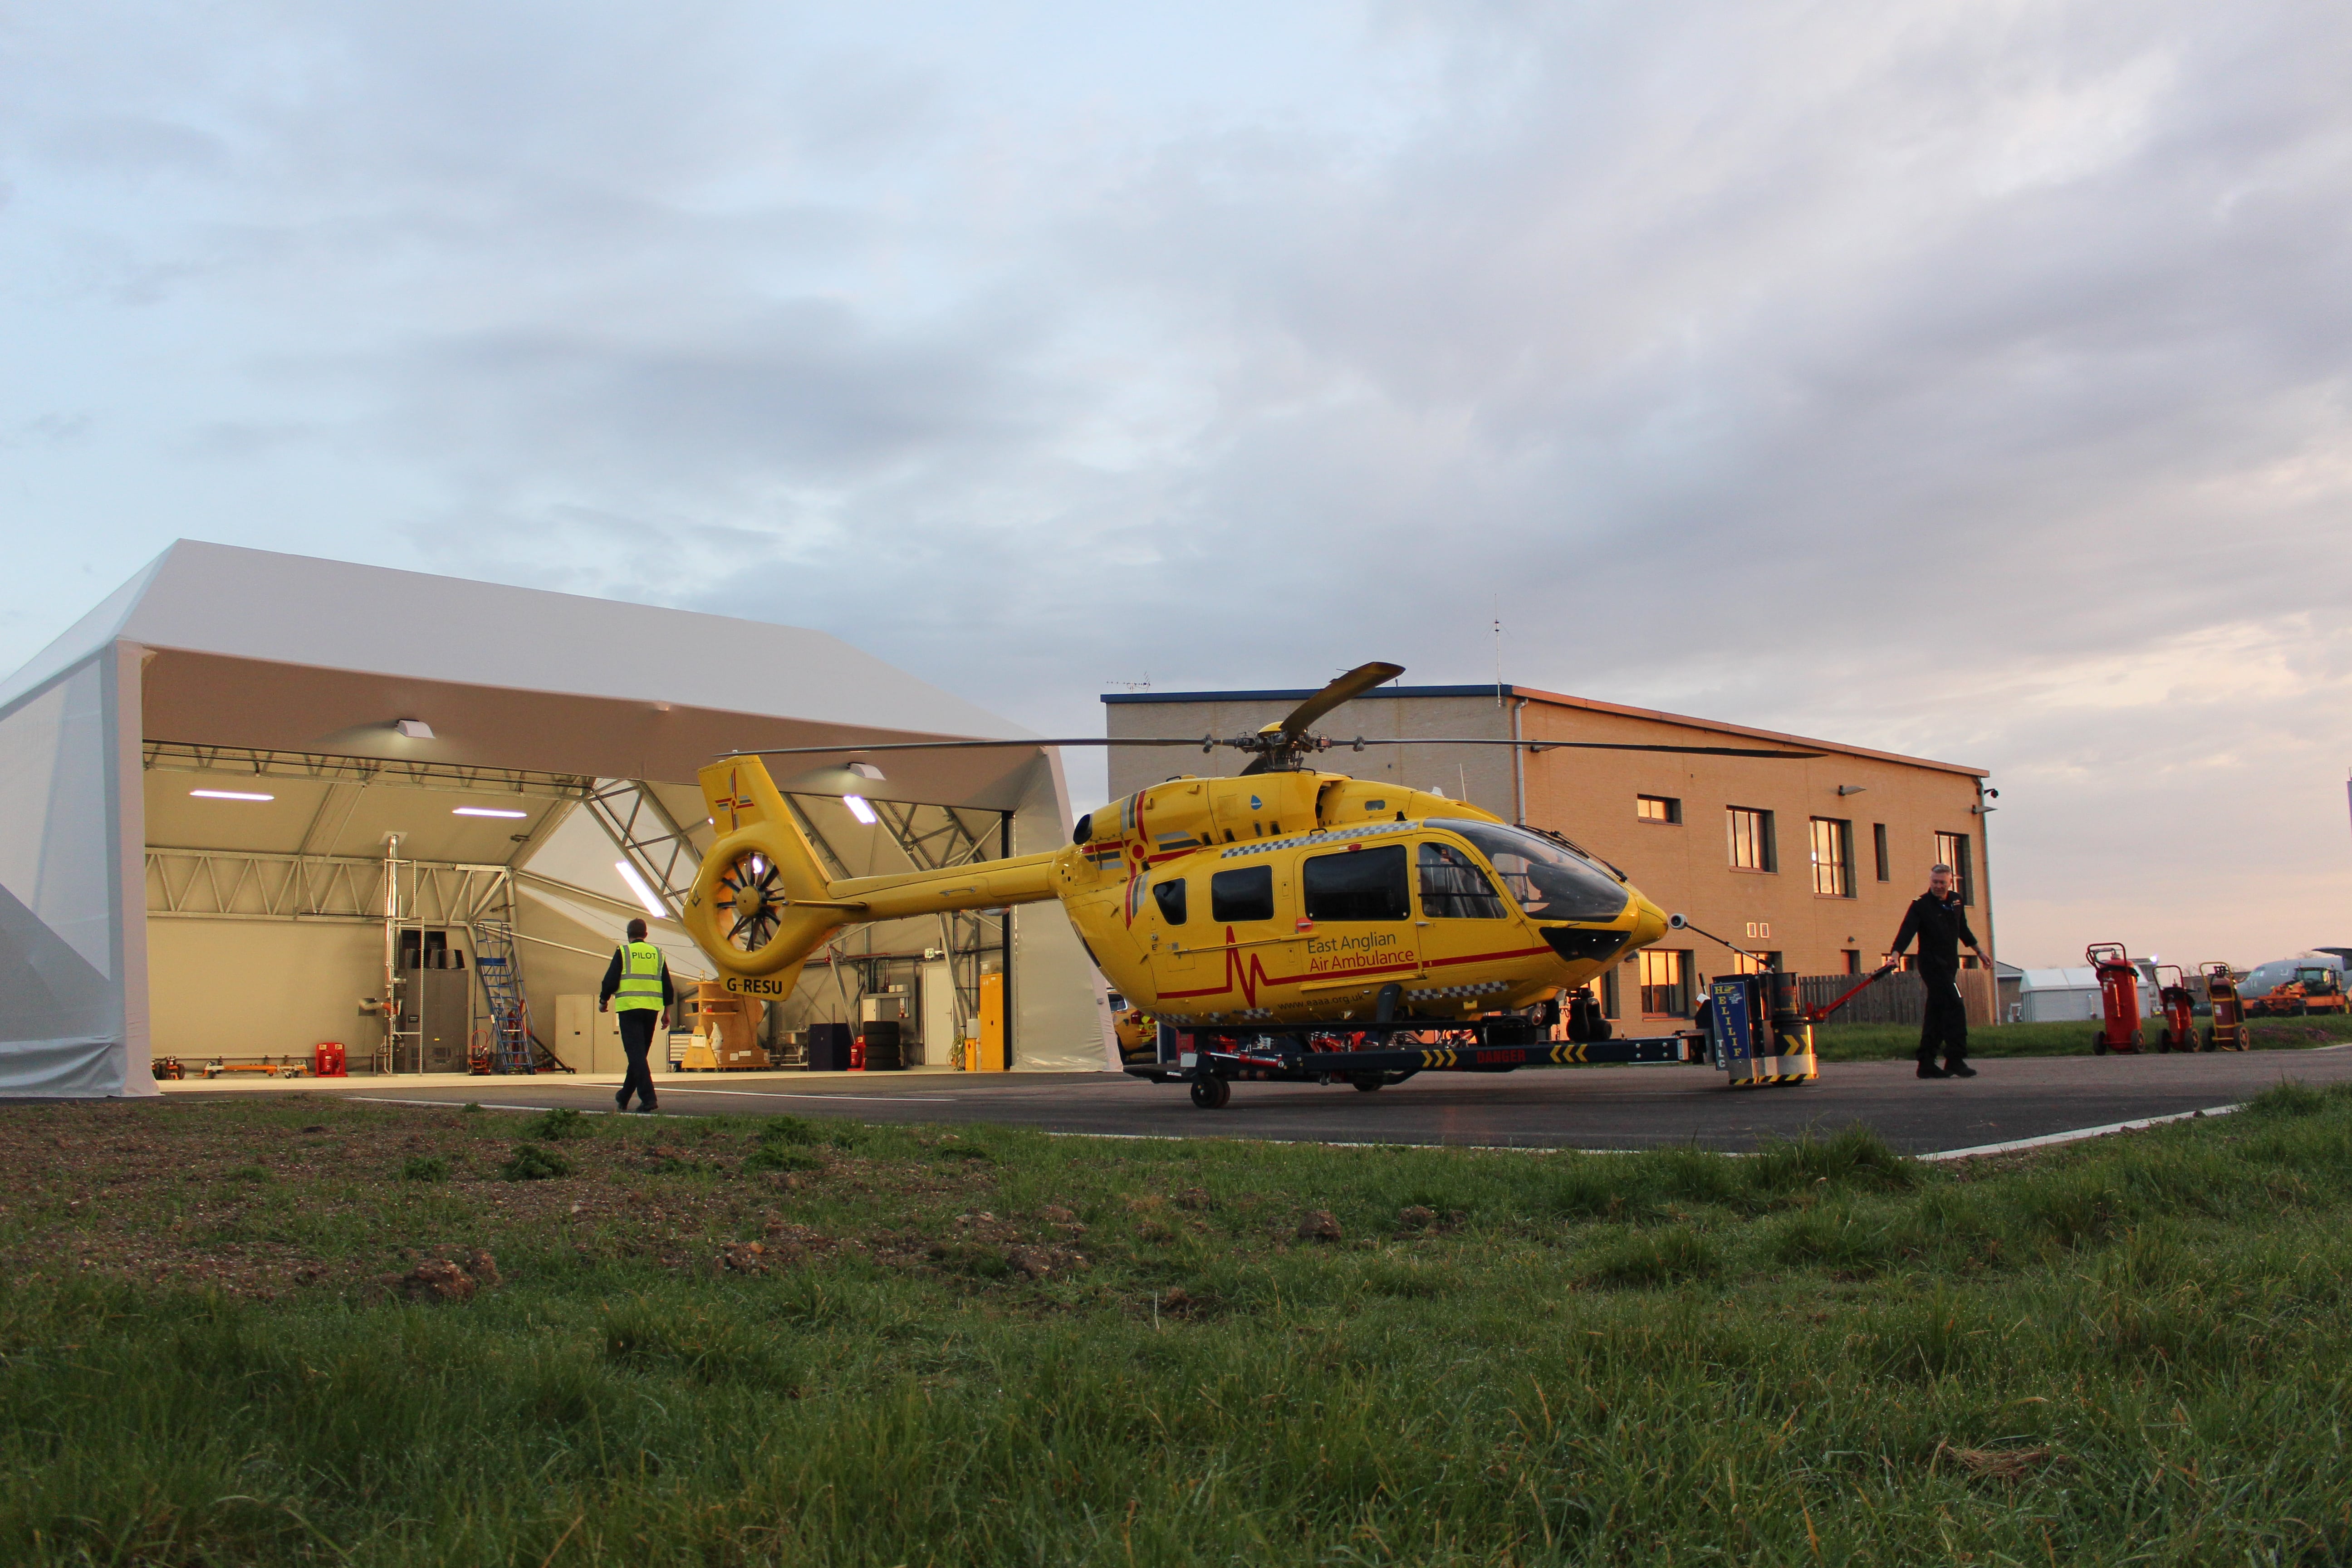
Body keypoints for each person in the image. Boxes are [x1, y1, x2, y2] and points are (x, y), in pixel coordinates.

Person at [1885, 864, 1988, 1079]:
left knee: (1936, 1012)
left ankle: (1926, 1063)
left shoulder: (1956, 901)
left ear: (1950, 883)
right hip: (1932, 965)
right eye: (1935, 882)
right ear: (1930, 881)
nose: (1938, 886)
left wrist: (1979, 952)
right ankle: (1955, 1059)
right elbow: (1906, 931)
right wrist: (1895, 956)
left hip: (1950, 964)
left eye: (1942, 883)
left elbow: (1963, 929)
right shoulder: (1921, 905)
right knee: (1955, 1005)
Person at [600, 917, 673, 1112]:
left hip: (629, 1009)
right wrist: (667, 1012)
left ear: (628, 935)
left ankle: (649, 1099)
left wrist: (604, 1000)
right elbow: (667, 985)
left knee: (636, 1055)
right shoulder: (658, 954)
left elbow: (611, 980)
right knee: (639, 1055)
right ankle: (624, 1095)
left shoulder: (623, 952)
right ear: (646, 935)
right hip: (651, 1009)